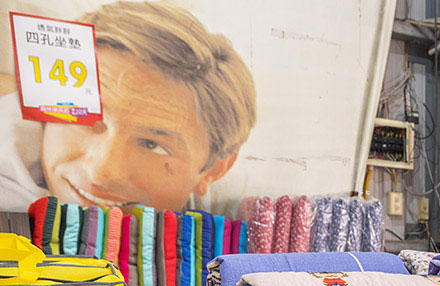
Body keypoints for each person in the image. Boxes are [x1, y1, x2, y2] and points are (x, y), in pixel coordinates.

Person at [0, 1, 256, 211]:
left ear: (213, 169)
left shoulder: (247, 211)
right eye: (87, 119)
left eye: (151, 145)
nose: (102, 173)